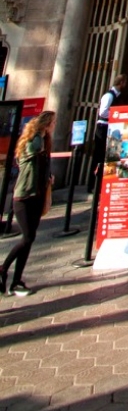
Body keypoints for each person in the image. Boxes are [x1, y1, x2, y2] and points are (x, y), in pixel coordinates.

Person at [1, 109, 54, 296]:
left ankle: (16, 281)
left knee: (29, 239)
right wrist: (39, 131)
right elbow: (35, 150)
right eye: (52, 123)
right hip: (23, 197)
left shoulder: (43, 143)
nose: (54, 127)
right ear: (45, 124)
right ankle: (3, 269)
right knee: (28, 237)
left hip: (37, 196)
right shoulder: (31, 143)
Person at [88, 73, 127, 192]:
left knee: (110, 156)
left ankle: (104, 182)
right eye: (124, 83)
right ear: (121, 83)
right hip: (103, 127)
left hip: (112, 128)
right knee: (99, 155)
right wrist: (116, 115)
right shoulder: (109, 96)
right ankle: (93, 184)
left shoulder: (117, 96)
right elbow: (103, 112)